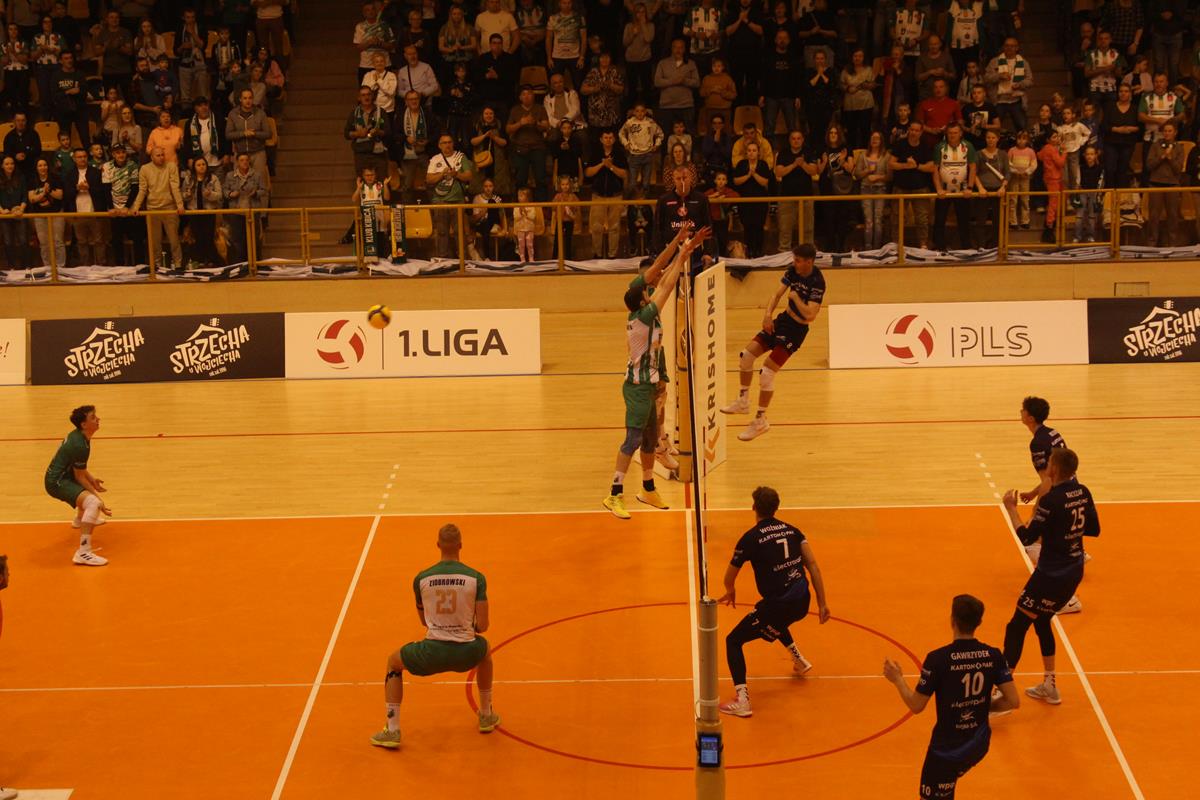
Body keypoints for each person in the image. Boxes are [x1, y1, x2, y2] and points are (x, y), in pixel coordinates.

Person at [603, 225, 709, 519]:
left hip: (649, 385)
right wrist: (685, 252)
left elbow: (662, 272)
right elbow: (667, 284)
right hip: (637, 387)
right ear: (643, 299)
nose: (651, 286)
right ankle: (614, 493)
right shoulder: (646, 316)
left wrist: (681, 244)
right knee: (632, 440)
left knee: (650, 440)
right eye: (646, 289)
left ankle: (648, 488)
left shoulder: (639, 304)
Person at [370, 523, 498, 748]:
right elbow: (483, 625)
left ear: (438, 545)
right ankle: (486, 715)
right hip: (467, 653)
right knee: (485, 651)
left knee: (393, 662)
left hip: (431, 653)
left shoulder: (421, 579)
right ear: (460, 545)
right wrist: (466, 627)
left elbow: (424, 621)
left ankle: (392, 729)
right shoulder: (476, 578)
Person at [882, 594, 1019, 800]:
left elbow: (916, 705)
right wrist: (979, 707)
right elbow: (1013, 701)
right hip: (979, 744)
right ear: (979, 622)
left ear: (952, 620)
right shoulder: (993, 655)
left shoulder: (938, 659)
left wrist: (897, 679)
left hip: (947, 751)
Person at [717, 485, 831, 718]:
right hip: (802, 602)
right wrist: (822, 603)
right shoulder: (793, 531)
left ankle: (742, 701)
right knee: (775, 618)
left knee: (733, 640)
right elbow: (813, 566)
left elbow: (729, 576)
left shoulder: (750, 538)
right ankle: (799, 660)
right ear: (776, 508)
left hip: (778, 606)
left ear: (753, 507)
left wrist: (730, 590)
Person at [998, 448, 1099, 707]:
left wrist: (1011, 509)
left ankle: (1002, 692)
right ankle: (1050, 686)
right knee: (1042, 620)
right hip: (1073, 572)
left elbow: (1027, 538)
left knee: (1017, 625)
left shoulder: (1051, 500)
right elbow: (1094, 529)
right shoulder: (1083, 492)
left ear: (1053, 469)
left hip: (1050, 575)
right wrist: (1066, 532)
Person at [721, 243, 824, 442]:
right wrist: (767, 315)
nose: (794, 263)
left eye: (798, 260)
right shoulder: (793, 271)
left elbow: (811, 315)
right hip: (783, 320)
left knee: (767, 373)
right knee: (746, 356)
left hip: (796, 330)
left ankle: (760, 421)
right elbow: (776, 295)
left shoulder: (817, 282)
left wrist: (796, 298)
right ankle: (743, 401)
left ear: (809, 262)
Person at [44, 405, 111, 566]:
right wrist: (99, 500)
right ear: (84, 424)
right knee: (93, 503)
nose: (98, 419)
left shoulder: (80, 436)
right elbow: (79, 477)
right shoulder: (79, 444)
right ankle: (83, 552)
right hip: (57, 482)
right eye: (93, 417)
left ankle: (80, 519)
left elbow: (79, 470)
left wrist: (92, 479)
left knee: (89, 495)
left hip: (64, 476)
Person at [131, 146, 185, 270]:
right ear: (151, 157)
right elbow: (142, 189)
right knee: (155, 241)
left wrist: (180, 205)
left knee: (174, 240)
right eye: (158, 155)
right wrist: (136, 206)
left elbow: (175, 186)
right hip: (152, 209)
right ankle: (157, 265)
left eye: (162, 155)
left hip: (170, 208)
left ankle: (178, 264)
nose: (161, 157)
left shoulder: (171, 166)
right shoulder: (145, 169)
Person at [426, 133, 474, 256]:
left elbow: (469, 176)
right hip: (440, 201)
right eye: (444, 143)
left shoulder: (461, 157)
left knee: (459, 232)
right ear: (439, 145)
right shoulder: (435, 159)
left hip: (457, 201)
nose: (447, 145)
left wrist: (456, 174)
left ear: (453, 144)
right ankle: (443, 259)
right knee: (442, 232)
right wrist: (442, 174)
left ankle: (463, 259)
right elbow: (429, 179)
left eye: (449, 142)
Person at [585, 129, 627, 258]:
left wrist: (611, 167)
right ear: (601, 139)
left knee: (614, 227)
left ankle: (612, 255)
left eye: (610, 138)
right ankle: (597, 254)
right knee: (596, 227)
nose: (608, 140)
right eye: (606, 138)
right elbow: (588, 173)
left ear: (614, 140)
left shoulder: (619, 154)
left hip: (615, 195)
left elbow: (624, 174)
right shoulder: (595, 153)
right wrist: (602, 164)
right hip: (598, 195)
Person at [775, 129, 818, 252]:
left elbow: (814, 171)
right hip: (786, 196)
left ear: (803, 140)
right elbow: (779, 172)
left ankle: (807, 252)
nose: (796, 141)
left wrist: (803, 164)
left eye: (798, 138)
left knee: (807, 228)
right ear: (789, 140)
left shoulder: (808, 152)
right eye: (793, 138)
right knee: (785, 228)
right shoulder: (783, 153)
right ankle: (783, 253)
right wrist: (794, 165)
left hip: (806, 196)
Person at [63, 147, 107, 266]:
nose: (82, 159)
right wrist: (77, 188)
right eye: (79, 157)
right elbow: (67, 195)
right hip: (78, 214)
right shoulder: (70, 174)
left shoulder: (96, 172)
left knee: (99, 241)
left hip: (95, 213)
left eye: (84, 156)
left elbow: (102, 192)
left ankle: (101, 266)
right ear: (74, 159)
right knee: (81, 242)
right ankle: (84, 267)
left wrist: (89, 188)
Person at [731, 141, 771, 258]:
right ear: (746, 153)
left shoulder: (763, 164)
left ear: (758, 152)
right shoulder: (741, 164)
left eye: (754, 150)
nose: (751, 153)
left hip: (760, 201)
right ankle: (749, 251)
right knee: (747, 226)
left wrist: (754, 174)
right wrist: (748, 175)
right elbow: (736, 181)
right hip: (745, 201)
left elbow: (765, 182)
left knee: (759, 226)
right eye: (749, 150)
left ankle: (758, 252)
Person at [854, 131, 891, 251]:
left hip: (880, 189)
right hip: (865, 189)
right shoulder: (863, 155)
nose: (874, 140)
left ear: (881, 141)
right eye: (872, 138)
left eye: (877, 138)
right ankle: (868, 249)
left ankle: (877, 249)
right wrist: (868, 171)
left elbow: (890, 176)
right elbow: (857, 174)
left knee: (878, 220)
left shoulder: (886, 156)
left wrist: (878, 177)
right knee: (868, 220)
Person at [27, 157, 65, 269]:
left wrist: (49, 191)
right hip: (40, 216)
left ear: (48, 166)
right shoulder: (32, 180)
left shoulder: (55, 178)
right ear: (36, 168)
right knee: (44, 243)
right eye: (40, 165)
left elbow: (60, 196)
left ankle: (61, 267)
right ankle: (48, 267)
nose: (43, 167)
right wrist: (43, 192)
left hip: (56, 213)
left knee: (58, 241)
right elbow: (32, 199)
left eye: (45, 165)